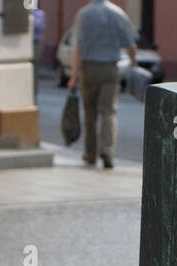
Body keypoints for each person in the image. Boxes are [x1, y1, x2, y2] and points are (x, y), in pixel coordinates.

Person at [69, 0, 137, 170]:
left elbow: (78, 48)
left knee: (90, 112)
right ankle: (107, 151)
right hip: (110, 68)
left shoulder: (83, 14)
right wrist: (134, 64)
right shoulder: (117, 13)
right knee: (108, 111)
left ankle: (90, 154)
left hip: (89, 68)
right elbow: (131, 43)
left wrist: (74, 75)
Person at [31, 6, 46, 102]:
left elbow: (37, 25)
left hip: (35, 44)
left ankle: (33, 98)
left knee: (33, 74)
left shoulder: (39, 14)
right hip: (25, 44)